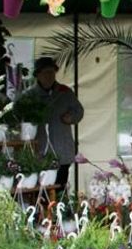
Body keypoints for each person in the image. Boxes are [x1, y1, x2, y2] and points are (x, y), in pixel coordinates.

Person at [21, 57, 85, 189]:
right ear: (38, 74)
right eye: (45, 72)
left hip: (62, 149)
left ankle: (58, 208)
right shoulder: (29, 95)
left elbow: (79, 110)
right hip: (40, 150)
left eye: (51, 72)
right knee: (41, 190)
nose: (49, 75)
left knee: (60, 188)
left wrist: (71, 117)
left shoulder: (65, 92)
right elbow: (21, 116)